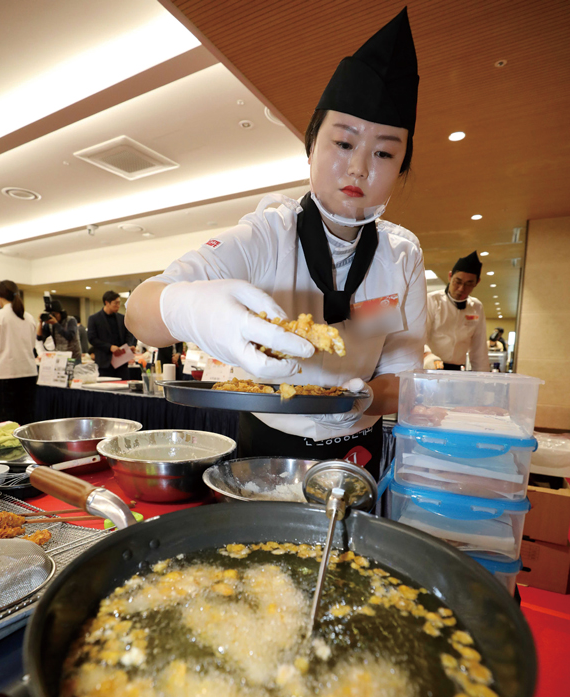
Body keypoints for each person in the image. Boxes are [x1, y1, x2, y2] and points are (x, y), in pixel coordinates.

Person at [125, 9, 425, 479]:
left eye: (384, 153)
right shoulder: (266, 235)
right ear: (310, 147)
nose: (359, 168)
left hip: (359, 445)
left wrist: (361, 399)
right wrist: (190, 311)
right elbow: (141, 312)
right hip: (268, 440)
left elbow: (404, 375)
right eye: (344, 144)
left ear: (401, 169)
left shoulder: (401, 255)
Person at [424, 252, 490, 372]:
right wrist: (427, 356)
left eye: (469, 284)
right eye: (457, 282)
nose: (461, 289)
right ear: (450, 276)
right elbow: (419, 337)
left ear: (477, 282)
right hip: (430, 366)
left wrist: (483, 380)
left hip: (456, 370)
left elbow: (479, 349)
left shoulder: (476, 307)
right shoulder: (432, 300)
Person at [0, 280, 38, 425]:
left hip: (6, 374)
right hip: (29, 373)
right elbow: (32, 345)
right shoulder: (29, 317)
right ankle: (27, 447)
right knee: (27, 419)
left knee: (8, 422)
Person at [88, 291, 136, 379]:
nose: (118, 306)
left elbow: (128, 335)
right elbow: (92, 338)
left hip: (121, 361)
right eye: (115, 303)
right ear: (107, 303)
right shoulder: (94, 319)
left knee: (124, 387)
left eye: (119, 303)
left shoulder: (122, 318)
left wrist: (128, 346)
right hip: (104, 362)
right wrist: (109, 347)